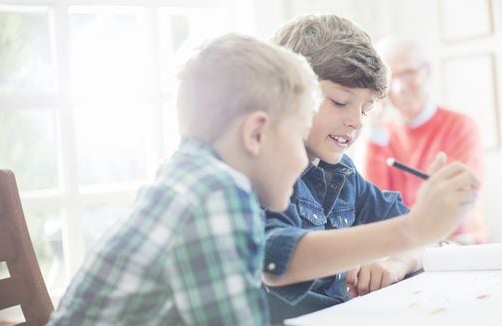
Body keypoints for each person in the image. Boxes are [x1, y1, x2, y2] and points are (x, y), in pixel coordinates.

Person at [48, 34, 320, 325]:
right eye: (301, 136)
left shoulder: (187, 175)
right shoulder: (218, 194)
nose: (305, 159)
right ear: (256, 133)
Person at [262, 15, 480, 324]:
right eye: (339, 102)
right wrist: (411, 230)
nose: (357, 121)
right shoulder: (262, 169)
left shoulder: (343, 173)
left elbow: (425, 237)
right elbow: (278, 261)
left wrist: (396, 263)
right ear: (287, 91)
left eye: (366, 109)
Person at [363, 37, 487, 244]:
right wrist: (374, 133)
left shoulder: (460, 126)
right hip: (404, 246)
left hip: (456, 243)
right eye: (391, 78)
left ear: (427, 71)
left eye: (409, 73)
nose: (399, 88)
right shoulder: (381, 135)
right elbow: (375, 211)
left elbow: (452, 205)